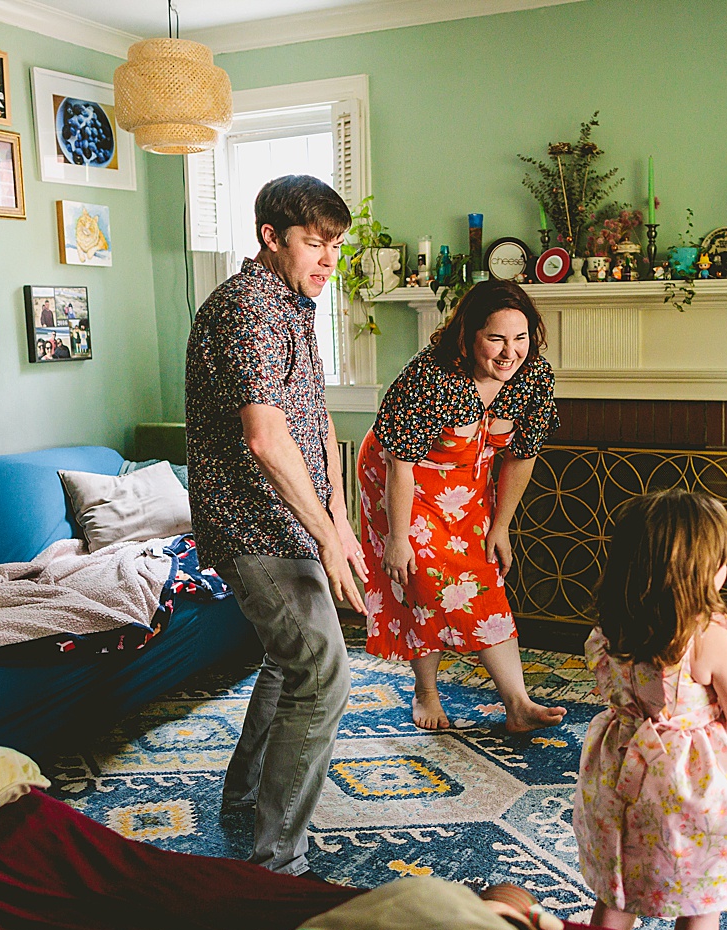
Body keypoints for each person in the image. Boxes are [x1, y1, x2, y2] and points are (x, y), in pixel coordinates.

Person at [185, 174, 368, 876]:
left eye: (335, 247)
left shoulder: (294, 306)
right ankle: (279, 864)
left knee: (290, 662)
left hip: (295, 519)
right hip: (251, 522)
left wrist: (340, 521)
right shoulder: (246, 309)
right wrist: (324, 535)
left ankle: (243, 798)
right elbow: (265, 437)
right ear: (271, 236)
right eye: (317, 244)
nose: (329, 260)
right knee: (321, 669)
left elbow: (314, 420)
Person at [573, 488, 727, 930]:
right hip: (686, 784)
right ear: (698, 575)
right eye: (720, 563)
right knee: (701, 890)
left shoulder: (609, 627)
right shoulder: (709, 638)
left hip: (622, 763)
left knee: (619, 882)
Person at [358, 279, 565, 733]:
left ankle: (518, 705)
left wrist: (501, 526)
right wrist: (397, 538)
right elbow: (400, 463)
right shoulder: (430, 377)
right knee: (423, 577)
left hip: (467, 482)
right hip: (400, 477)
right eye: (496, 339)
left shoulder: (534, 378)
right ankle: (426, 691)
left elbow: (521, 455)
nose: (511, 352)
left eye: (521, 338)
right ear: (468, 335)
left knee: (483, 573)